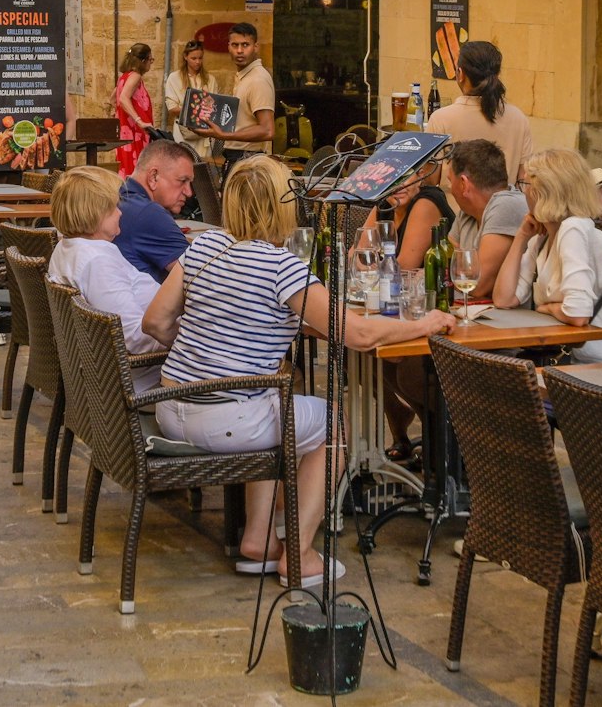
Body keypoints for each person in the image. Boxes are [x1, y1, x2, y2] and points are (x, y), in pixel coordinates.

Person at [142, 155, 453, 585]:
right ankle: (300, 552)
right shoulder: (281, 266)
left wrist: (210, 348)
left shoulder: (205, 246)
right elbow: (358, 334)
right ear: (283, 205)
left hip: (170, 407)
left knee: (274, 399)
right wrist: (424, 324)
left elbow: (155, 321)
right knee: (334, 424)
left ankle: (259, 540)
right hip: (225, 419)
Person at [495, 148, 602, 364]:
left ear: (545, 191)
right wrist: (521, 237)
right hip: (578, 363)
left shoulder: (574, 229)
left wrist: (547, 308)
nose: (523, 191)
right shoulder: (542, 238)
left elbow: (578, 315)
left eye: (526, 184)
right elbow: (504, 299)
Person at [47, 166, 174, 387]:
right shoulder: (97, 262)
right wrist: (189, 337)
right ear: (95, 212)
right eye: (114, 207)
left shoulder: (68, 248)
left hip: (103, 371)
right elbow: (133, 337)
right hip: (141, 377)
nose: (120, 213)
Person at [382, 161, 458, 465]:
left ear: (421, 175)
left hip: (434, 307)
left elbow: (402, 266)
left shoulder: (427, 202)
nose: (399, 184)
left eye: (406, 175)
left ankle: (441, 443)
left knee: (406, 370)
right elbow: (356, 255)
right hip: (405, 307)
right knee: (358, 355)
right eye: (392, 177)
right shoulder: (384, 204)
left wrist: (374, 266)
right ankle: (409, 433)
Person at [425, 39, 533, 184]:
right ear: (497, 76)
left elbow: (430, 180)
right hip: (504, 199)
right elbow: (524, 179)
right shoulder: (519, 118)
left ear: (460, 74)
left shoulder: (441, 119)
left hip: (452, 200)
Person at [443, 139, 528, 299]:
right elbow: (446, 266)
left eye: (450, 180)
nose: (449, 187)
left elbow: (478, 285)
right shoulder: (468, 211)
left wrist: (457, 272)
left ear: (463, 184)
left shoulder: (507, 205)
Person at [114, 139, 198, 281]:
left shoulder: (120, 197)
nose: (189, 192)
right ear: (153, 177)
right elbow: (200, 277)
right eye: (182, 181)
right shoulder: (148, 213)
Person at [199, 22, 276, 170]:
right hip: (237, 157)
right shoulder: (244, 76)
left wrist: (223, 135)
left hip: (249, 160)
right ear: (228, 46)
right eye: (235, 45)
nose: (239, 50)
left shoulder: (258, 79)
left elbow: (267, 130)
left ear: (255, 47)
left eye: (245, 45)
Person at [164, 39, 217, 162]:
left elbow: (214, 107)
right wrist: (196, 108)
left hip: (205, 132)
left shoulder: (210, 79)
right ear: (185, 57)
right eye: (194, 58)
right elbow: (172, 109)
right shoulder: (174, 78)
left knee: (202, 167)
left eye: (200, 58)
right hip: (184, 131)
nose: (197, 62)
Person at [113, 43, 155, 177]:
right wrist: (139, 121)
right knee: (136, 171)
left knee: (127, 170)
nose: (151, 63)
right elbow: (123, 98)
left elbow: (113, 98)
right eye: (150, 60)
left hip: (127, 132)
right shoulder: (135, 76)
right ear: (143, 61)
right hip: (134, 132)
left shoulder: (124, 77)